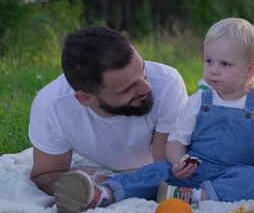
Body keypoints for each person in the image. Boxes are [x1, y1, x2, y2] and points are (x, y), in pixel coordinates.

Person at [52, 18, 254, 213]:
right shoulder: (199, 101)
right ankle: (103, 193)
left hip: (237, 170)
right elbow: (176, 141)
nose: (213, 70)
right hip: (196, 167)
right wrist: (178, 162)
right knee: (158, 170)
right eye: (208, 61)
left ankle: (197, 197)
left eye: (225, 64)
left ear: (251, 68)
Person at [29, 26, 188, 197]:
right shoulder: (52, 106)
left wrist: (114, 185)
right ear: (85, 99)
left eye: (143, 71)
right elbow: (44, 175)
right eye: (128, 88)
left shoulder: (167, 84)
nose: (146, 88)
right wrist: (85, 186)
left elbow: (165, 171)